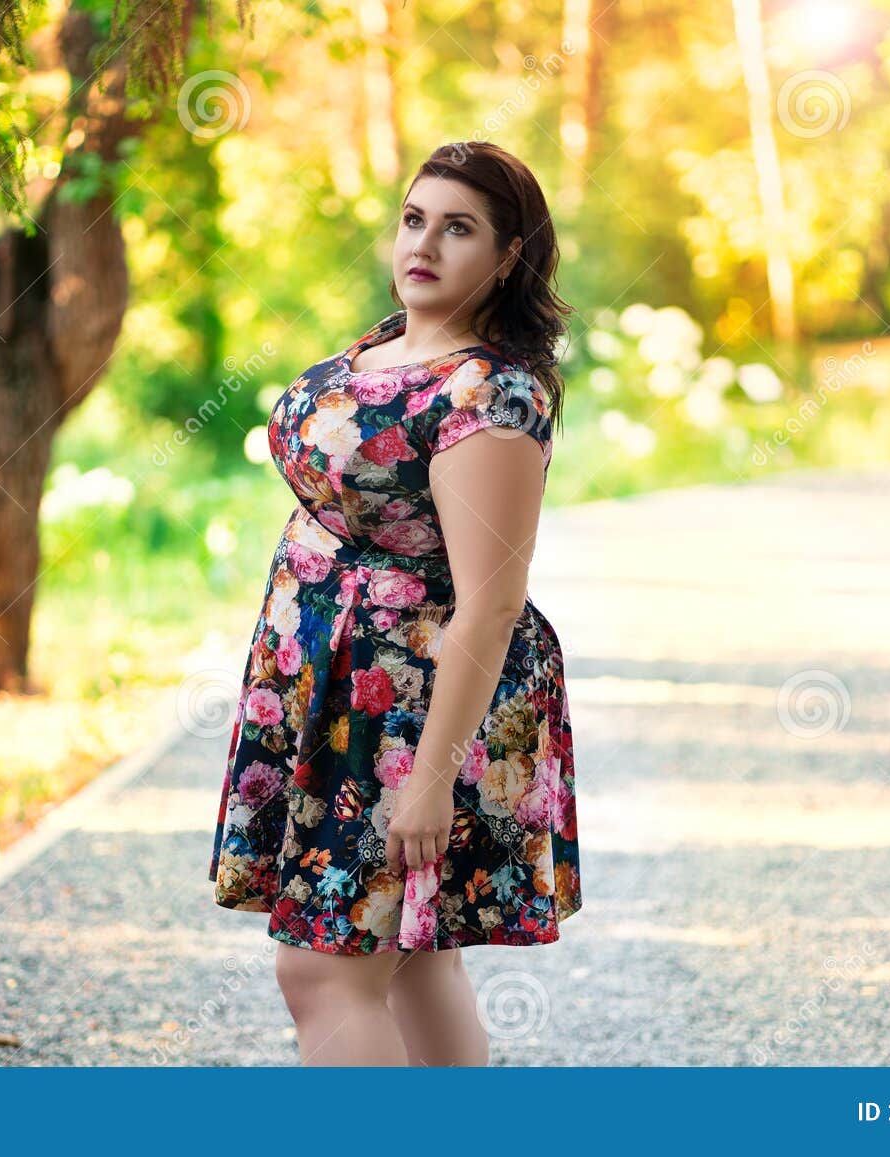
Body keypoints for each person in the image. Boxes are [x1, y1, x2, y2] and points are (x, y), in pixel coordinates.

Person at [208, 140, 581, 1066]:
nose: (424, 243)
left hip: (412, 709)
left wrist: (429, 777)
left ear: (507, 259)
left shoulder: (488, 394)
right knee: (413, 962)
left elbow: (492, 605)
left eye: (459, 229)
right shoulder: (386, 344)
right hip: (334, 685)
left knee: (322, 969)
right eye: (415, 219)